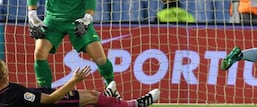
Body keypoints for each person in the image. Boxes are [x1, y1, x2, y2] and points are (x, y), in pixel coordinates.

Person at [0, 59, 160, 107]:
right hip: (51, 102)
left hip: (44, 95)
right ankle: (134, 104)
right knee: (92, 96)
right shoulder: (12, 95)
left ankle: (107, 97)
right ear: (5, 74)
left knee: (92, 100)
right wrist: (73, 81)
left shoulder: (6, 92)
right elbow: (50, 100)